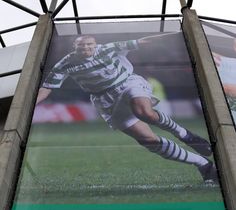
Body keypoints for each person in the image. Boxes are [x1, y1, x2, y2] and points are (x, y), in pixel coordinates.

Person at [37, 34, 218, 183]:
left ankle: (185, 134)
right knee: (148, 140)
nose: (86, 48)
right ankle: (203, 164)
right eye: (81, 46)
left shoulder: (108, 48)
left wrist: (172, 36)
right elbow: (47, 88)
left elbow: (141, 42)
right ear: (74, 47)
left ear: (95, 44)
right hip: (105, 101)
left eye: (89, 44)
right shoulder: (65, 64)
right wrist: (29, 106)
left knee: (144, 112)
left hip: (127, 83)